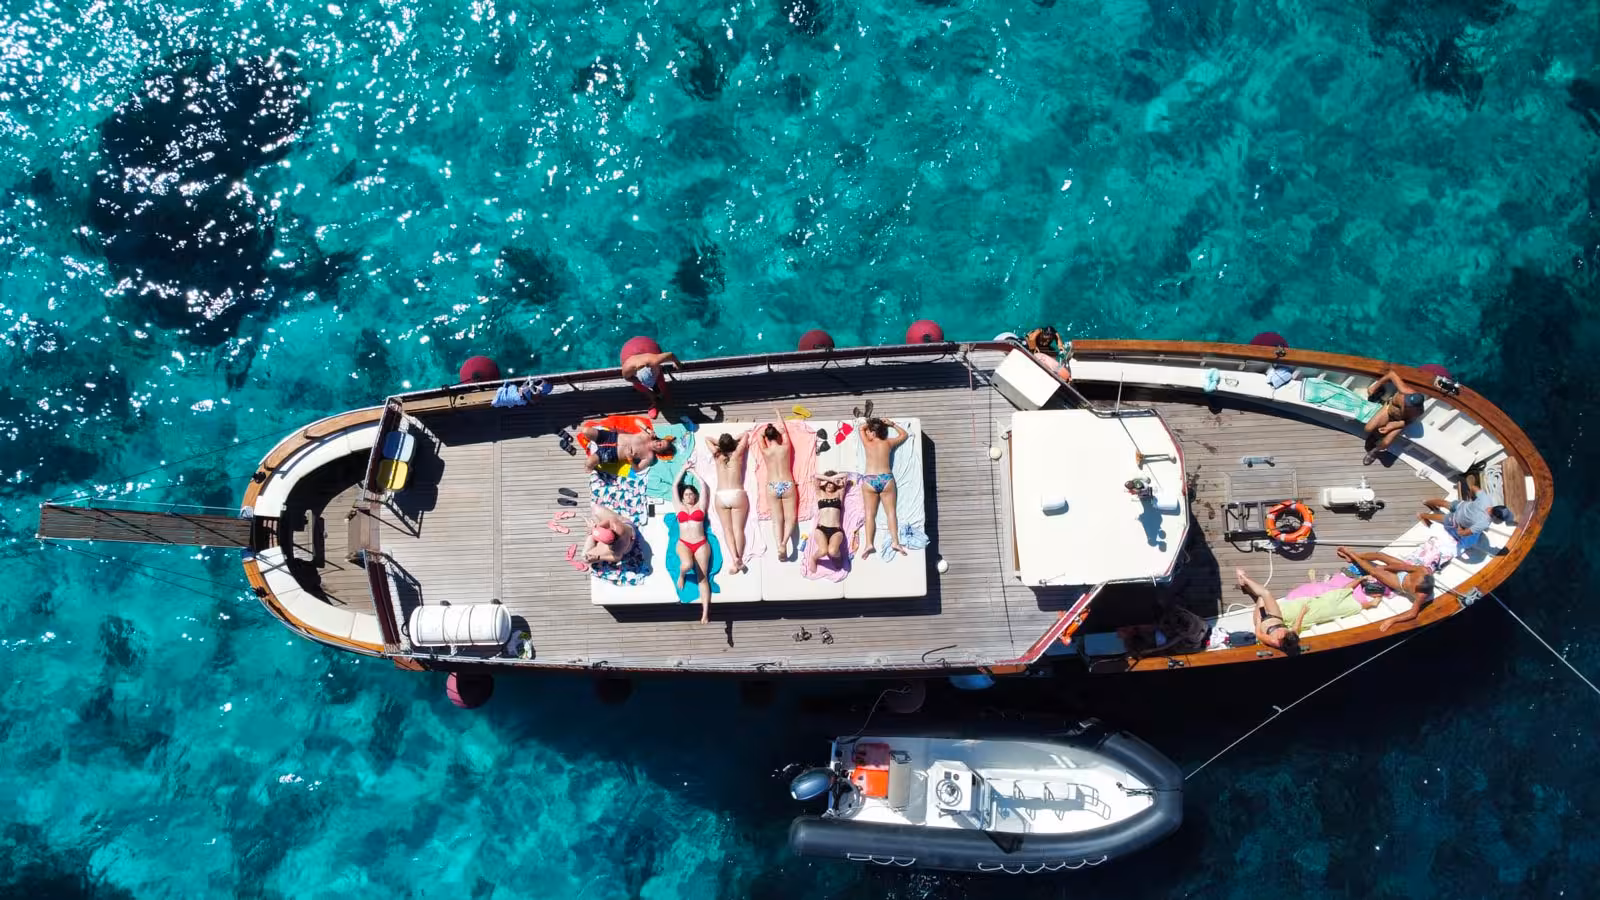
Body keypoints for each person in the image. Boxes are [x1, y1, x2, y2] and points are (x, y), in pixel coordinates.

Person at [1336, 547, 1435, 632]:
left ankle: (1350, 554)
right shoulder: (1422, 570)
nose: (1415, 588)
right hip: (1404, 572)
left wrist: (1392, 620)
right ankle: (1355, 556)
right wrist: (1386, 567)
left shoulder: (1422, 595)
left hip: (1398, 583)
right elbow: (1404, 567)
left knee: (1374, 571)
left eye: (1415, 589)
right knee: (1381, 555)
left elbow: (1413, 613)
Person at [860, 417, 910, 557]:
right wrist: (891, 424)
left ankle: (869, 544)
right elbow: (904, 435)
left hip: (870, 479)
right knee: (891, 513)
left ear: (873, 433)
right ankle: (895, 542)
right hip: (886, 478)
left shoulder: (867, 444)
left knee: (870, 514)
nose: (868, 433)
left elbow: (861, 428)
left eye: (870, 431)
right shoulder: (888, 443)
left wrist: (873, 423)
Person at [673, 465, 714, 624]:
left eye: (691, 494)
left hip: (701, 543)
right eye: (686, 494)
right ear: (682, 498)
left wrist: (694, 472)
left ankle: (705, 613)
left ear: (695, 496)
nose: (689, 496)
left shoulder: (701, 507)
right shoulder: (679, 507)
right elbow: (675, 486)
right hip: (684, 543)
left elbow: (704, 486)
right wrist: (684, 469)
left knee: (702, 578)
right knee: (687, 564)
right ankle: (682, 575)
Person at [708, 431, 752, 574]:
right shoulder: (738, 453)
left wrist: (719, 444)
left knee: (727, 530)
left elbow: (707, 439)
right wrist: (734, 440)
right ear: (733, 444)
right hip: (736, 493)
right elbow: (745, 435)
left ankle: (734, 557)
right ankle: (736, 562)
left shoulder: (718, 456)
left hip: (721, 495)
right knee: (738, 529)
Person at [1235, 568, 1306, 653]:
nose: (1282, 632)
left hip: (1262, 620)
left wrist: (1258, 621)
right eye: (1285, 632)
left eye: (1282, 635)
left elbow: (1259, 634)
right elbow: (1296, 627)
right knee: (1266, 593)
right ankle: (1244, 579)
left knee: (1260, 598)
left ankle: (1243, 580)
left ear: (1282, 641)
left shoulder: (1274, 641)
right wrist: (1303, 612)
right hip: (1276, 617)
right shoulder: (1292, 636)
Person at [1363, 369, 1425, 464]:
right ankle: (1374, 436)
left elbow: (1408, 421)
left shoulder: (1418, 411)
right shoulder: (1404, 391)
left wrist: (1394, 426)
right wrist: (1375, 386)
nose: (1406, 404)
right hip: (1388, 410)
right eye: (1407, 401)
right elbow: (1392, 374)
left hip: (1400, 420)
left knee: (1385, 444)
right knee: (1368, 428)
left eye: (1409, 405)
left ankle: (1374, 451)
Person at [758, 422, 798, 561]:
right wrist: (779, 421)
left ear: (767, 439)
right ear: (778, 436)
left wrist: (766, 431)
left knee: (777, 521)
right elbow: (785, 432)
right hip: (787, 483)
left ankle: (779, 546)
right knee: (790, 518)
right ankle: (784, 543)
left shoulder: (765, 451)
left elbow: (759, 435)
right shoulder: (785, 447)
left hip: (772, 485)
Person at [581, 425, 675, 472]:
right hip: (611, 437)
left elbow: (637, 469)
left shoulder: (649, 456)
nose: (658, 443)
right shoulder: (648, 435)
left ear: (660, 452)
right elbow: (637, 422)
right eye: (660, 441)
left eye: (661, 446)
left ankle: (593, 460)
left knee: (588, 464)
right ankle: (592, 444)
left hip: (612, 453)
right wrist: (648, 429)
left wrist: (630, 459)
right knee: (585, 430)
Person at [810, 470, 851, 567]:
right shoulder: (820, 493)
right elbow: (815, 476)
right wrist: (829, 479)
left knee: (832, 551)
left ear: (835, 484)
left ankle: (838, 557)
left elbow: (846, 475)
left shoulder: (839, 493)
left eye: (832, 483)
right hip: (821, 529)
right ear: (823, 483)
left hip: (836, 530)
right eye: (827, 482)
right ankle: (814, 558)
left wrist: (833, 479)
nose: (829, 484)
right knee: (823, 551)